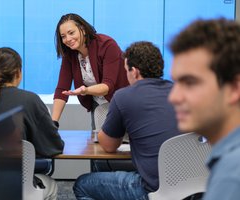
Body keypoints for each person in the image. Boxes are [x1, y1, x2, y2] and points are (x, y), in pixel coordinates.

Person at [73, 41, 180, 200]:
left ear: (135, 72)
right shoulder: (180, 93)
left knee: (82, 184)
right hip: (191, 184)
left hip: (152, 189)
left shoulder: (124, 96)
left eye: (126, 72)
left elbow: (109, 146)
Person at [0, 47, 64, 200]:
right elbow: (54, 147)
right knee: (51, 185)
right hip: (18, 189)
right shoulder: (30, 100)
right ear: (18, 73)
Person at [168, 18, 240, 200]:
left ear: (234, 88)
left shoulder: (232, 174)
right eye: (175, 83)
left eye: (190, 83)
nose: (173, 97)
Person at [52, 13, 129, 129]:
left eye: (71, 33)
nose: (68, 39)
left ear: (82, 29)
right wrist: (53, 123)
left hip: (122, 103)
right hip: (97, 105)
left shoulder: (107, 45)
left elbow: (108, 86)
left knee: (125, 143)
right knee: (99, 143)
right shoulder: (69, 55)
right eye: (63, 36)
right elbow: (61, 89)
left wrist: (85, 90)